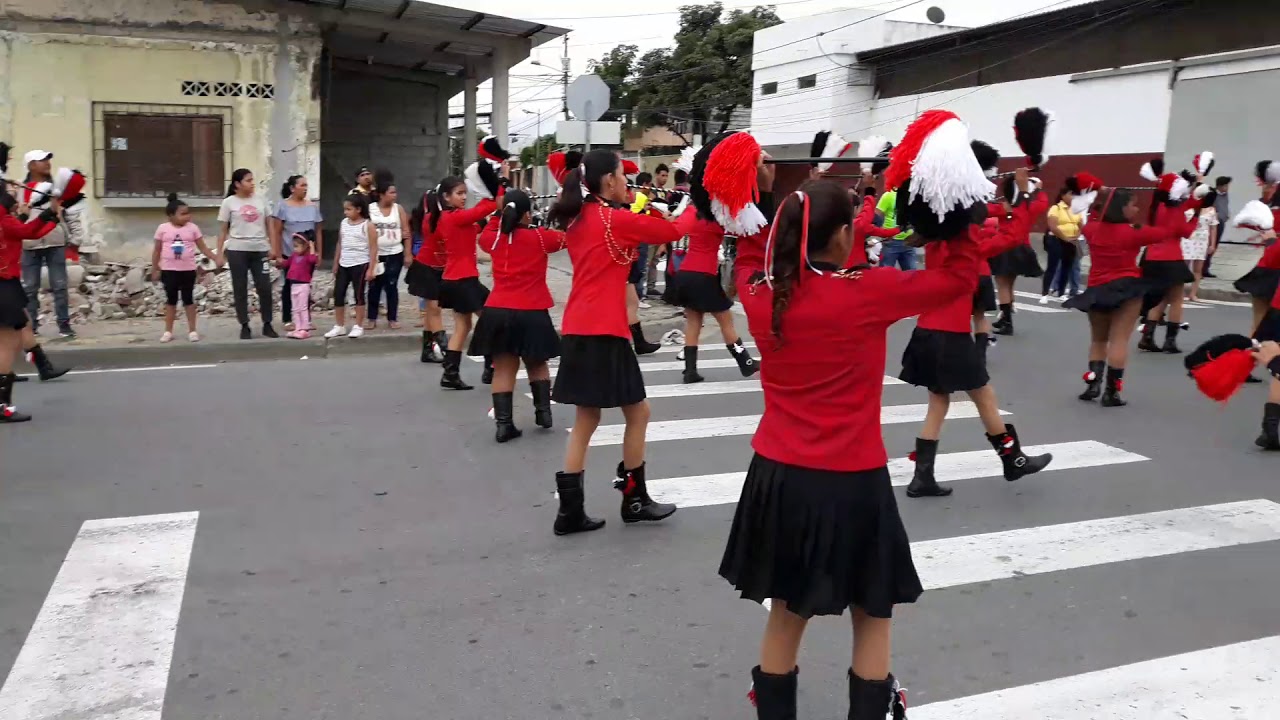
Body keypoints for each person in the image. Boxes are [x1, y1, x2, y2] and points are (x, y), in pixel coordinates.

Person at [546, 149, 683, 536]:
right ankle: (635, 499)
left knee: (586, 420)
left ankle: (570, 512)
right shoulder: (613, 220)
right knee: (637, 414)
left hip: (577, 327)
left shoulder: (578, 220)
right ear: (608, 181)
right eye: (623, 175)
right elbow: (674, 231)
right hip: (606, 330)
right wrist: (702, 204)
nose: (628, 181)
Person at [902, 170, 1053, 499]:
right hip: (951, 335)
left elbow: (989, 215)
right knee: (983, 395)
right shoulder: (965, 245)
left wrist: (1002, 205)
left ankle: (922, 476)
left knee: (938, 403)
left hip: (927, 331)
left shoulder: (934, 240)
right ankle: (1012, 459)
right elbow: (1013, 236)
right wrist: (1022, 200)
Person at [1067, 188, 1197, 406]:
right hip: (1127, 287)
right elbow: (1167, 231)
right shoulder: (1135, 232)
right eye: (1133, 204)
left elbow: (1087, 218)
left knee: (1098, 340)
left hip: (1097, 289)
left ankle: (1093, 386)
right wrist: (1175, 206)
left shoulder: (1092, 229)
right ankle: (1112, 392)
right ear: (1122, 208)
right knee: (1120, 340)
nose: (1137, 209)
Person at [469, 190, 566, 442]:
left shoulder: (493, 238)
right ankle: (543, 413)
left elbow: (486, 231)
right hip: (532, 310)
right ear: (526, 214)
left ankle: (504, 425)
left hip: (498, 309)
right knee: (537, 363)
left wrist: (498, 213)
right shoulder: (542, 238)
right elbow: (567, 238)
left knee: (503, 369)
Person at [672, 141, 759, 383]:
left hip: (685, 272)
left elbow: (676, 227)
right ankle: (746, 363)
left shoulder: (691, 212)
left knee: (693, 322)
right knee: (726, 321)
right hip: (705, 274)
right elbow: (740, 228)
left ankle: (690, 370)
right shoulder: (718, 214)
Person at [435, 171, 502, 391]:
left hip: (454, 279)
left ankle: (450, 373)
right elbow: (483, 209)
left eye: (465, 193)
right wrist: (494, 191)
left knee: (463, 326)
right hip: (464, 280)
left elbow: (479, 224)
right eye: (459, 193)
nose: (464, 197)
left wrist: (496, 211)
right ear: (446, 197)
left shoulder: (454, 219)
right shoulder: (454, 217)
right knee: (491, 320)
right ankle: (489, 366)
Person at [1, 189, 59, 423]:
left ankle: (40, 365)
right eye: (10, 194)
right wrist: (50, 214)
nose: (14, 197)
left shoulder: (5, 219)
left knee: (18, 330)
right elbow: (25, 231)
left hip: (8, 281)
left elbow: (19, 233)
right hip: (3, 282)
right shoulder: (3, 218)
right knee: (8, 341)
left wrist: (49, 217)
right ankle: (2, 405)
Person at [1137, 165, 1203, 355]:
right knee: (1176, 299)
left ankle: (1147, 337)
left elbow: (1187, 202)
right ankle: (1170, 341)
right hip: (1171, 257)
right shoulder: (1175, 210)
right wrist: (1197, 214)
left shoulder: (1156, 206)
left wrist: (1194, 196)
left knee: (1159, 298)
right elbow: (1187, 232)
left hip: (1151, 256)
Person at [216, 168, 279, 340]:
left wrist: (273, 247)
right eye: (248, 180)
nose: (252, 183)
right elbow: (222, 230)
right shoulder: (229, 202)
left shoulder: (261, 200)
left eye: (252, 180)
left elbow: (270, 226)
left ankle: (267, 323)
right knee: (240, 288)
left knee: (264, 287)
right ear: (237, 184)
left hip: (259, 249)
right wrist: (219, 254)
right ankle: (244, 325)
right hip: (237, 250)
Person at [18, 150, 73, 338]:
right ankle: (31, 327)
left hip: (54, 240)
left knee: (60, 286)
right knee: (30, 288)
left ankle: (64, 325)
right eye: (42, 160)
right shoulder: (20, 189)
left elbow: (64, 213)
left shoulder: (55, 188)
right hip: (29, 243)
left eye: (48, 159)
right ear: (31, 165)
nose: (47, 163)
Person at [151, 194, 215, 343]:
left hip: (187, 270)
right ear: (171, 216)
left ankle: (192, 330)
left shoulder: (193, 228)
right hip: (169, 270)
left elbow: (203, 247)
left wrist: (215, 258)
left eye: (188, 213)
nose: (188, 216)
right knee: (171, 301)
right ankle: (168, 331)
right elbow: (157, 250)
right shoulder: (163, 229)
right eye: (183, 214)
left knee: (188, 300)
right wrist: (155, 268)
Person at [270, 175, 323, 330]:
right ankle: (288, 318)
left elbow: (318, 231)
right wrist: (278, 254)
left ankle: (305, 318)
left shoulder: (312, 207)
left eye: (306, 185)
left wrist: (319, 252)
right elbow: (277, 231)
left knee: (305, 285)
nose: (305, 188)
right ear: (292, 188)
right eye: (302, 185)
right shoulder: (283, 206)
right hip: (290, 254)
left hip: (308, 256)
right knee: (289, 285)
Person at [324, 195, 377, 339]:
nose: (346, 212)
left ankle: (358, 325)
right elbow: (340, 243)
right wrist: (336, 263)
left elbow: (373, 248)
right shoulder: (344, 223)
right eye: (345, 209)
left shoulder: (368, 225)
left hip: (360, 264)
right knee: (339, 293)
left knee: (358, 295)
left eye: (349, 209)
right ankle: (339, 325)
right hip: (344, 263)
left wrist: (371, 268)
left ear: (358, 209)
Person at [366, 171, 412, 329]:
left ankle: (392, 318)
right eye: (391, 192)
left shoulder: (398, 209)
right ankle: (371, 318)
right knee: (374, 286)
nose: (394, 195)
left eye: (395, 192)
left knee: (391, 286)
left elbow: (406, 232)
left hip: (395, 253)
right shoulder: (371, 209)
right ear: (381, 194)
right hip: (376, 254)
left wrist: (407, 253)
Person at [406, 188, 447, 363]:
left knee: (432, 310)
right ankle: (443, 347)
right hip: (427, 267)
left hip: (431, 266)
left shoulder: (429, 219)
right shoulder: (431, 220)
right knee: (434, 309)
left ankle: (427, 349)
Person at [1042, 186, 1084, 302]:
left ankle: (1061, 292)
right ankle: (1045, 293)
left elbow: (1080, 224)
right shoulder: (1056, 208)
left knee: (1067, 267)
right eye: (1071, 194)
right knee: (1053, 266)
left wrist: (1076, 235)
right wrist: (1065, 238)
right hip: (1056, 240)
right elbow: (1053, 226)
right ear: (1063, 195)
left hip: (1071, 241)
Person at [280, 233, 318, 339]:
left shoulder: (307, 257)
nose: (295, 249)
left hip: (303, 285)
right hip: (294, 285)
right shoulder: (293, 256)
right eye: (294, 246)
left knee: (303, 308)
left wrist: (312, 247)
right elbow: (286, 263)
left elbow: (313, 260)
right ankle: (298, 327)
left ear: (305, 246)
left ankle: (305, 328)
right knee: (295, 308)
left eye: (297, 246)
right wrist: (279, 262)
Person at [1182, 199, 1218, 302]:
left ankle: (1193, 294)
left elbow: (1213, 228)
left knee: (1198, 269)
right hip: (1188, 239)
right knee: (1184, 267)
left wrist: (1212, 244)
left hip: (1202, 240)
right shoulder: (1188, 207)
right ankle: (1180, 292)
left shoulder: (1211, 210)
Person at [875, 188, 915, 270]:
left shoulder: (912, 195)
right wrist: (881, 234)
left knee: (912, 276)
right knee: (885, 276)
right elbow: (876, 217)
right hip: (891, 241)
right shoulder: (888, 195)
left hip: (909, 241)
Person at [1205, 176, 1231, 278]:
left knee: (1215, 245)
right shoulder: (1213, 195)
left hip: (1221, 222)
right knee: (1210, 244)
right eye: (1226, 185)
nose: (1227, 187)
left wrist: (1226, 214)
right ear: (1220, 186)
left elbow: (1225, 206)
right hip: (1213, 223)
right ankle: (1202, 268)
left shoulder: (1225, 195)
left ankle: (1206, 267)